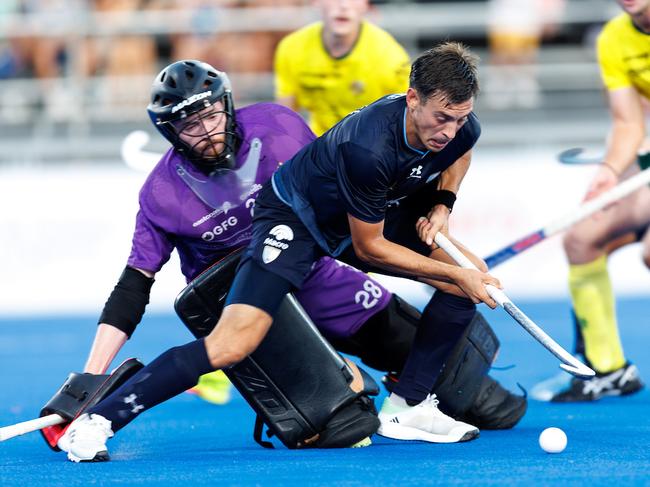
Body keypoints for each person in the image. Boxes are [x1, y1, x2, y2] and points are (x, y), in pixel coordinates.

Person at [56, 44, 512, 461]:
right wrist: (93, 375)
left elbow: (459, 153)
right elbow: (369, 248)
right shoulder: (365, 148)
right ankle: (98, 422)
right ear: (412, 99)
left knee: (465, 279)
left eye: (459, 119)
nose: (449, 131)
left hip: (348, 224)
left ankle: (407, 406)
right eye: (441, 119)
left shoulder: (454, 125)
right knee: (235, 341)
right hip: (293, 223)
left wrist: (442, 205)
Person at [546, 0, 649, 402]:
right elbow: (628, 123)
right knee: (581, 239)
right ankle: (608, 368)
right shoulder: (614, 38)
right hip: (643, 163)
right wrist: (609, 171)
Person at [274, 0, 410, 135]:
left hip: (372, 147)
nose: (344, 5)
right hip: (317, 144)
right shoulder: (292, 48)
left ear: (367, 4)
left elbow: (407, 124)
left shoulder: (390, 59)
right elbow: (285, 119)